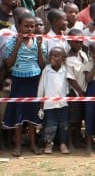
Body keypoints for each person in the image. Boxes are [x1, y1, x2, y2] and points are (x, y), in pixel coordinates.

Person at [3, 13, 46, 157]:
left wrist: (39, 47)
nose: (29, 29)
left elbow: (42, 64)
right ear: (18, 26)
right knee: (18, 114)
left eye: (32, 26)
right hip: (18, 81)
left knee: (32, 114)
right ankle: (18, 146)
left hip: (34, 82)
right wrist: (17, 44)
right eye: (26, 26)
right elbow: (8, 64)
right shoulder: (12, 42)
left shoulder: (38, 41)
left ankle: (33, 145)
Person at [37, 47, 70, 154]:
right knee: (50, 125)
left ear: (63, 58)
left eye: (56, 56)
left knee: (63, 125)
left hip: (63, 104)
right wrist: (40, 101)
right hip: (49, 104)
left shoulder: (65, 70)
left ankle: (62, 144)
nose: (53, 57)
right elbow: (41, 86)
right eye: (51, 55)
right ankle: (48, 144)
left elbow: (69, 86)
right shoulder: (46, 70)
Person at [65, 28, 88, 151]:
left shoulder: (83, 54)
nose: (79, 44)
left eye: (81, 41)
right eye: (76, 42)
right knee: (72, 119)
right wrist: (79, 91)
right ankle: (70, 142)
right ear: (69, 41)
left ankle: (77, 140)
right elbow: (70, 79)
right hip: (74, 92)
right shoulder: (68, 58)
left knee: (79, 118)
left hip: (84, 90)